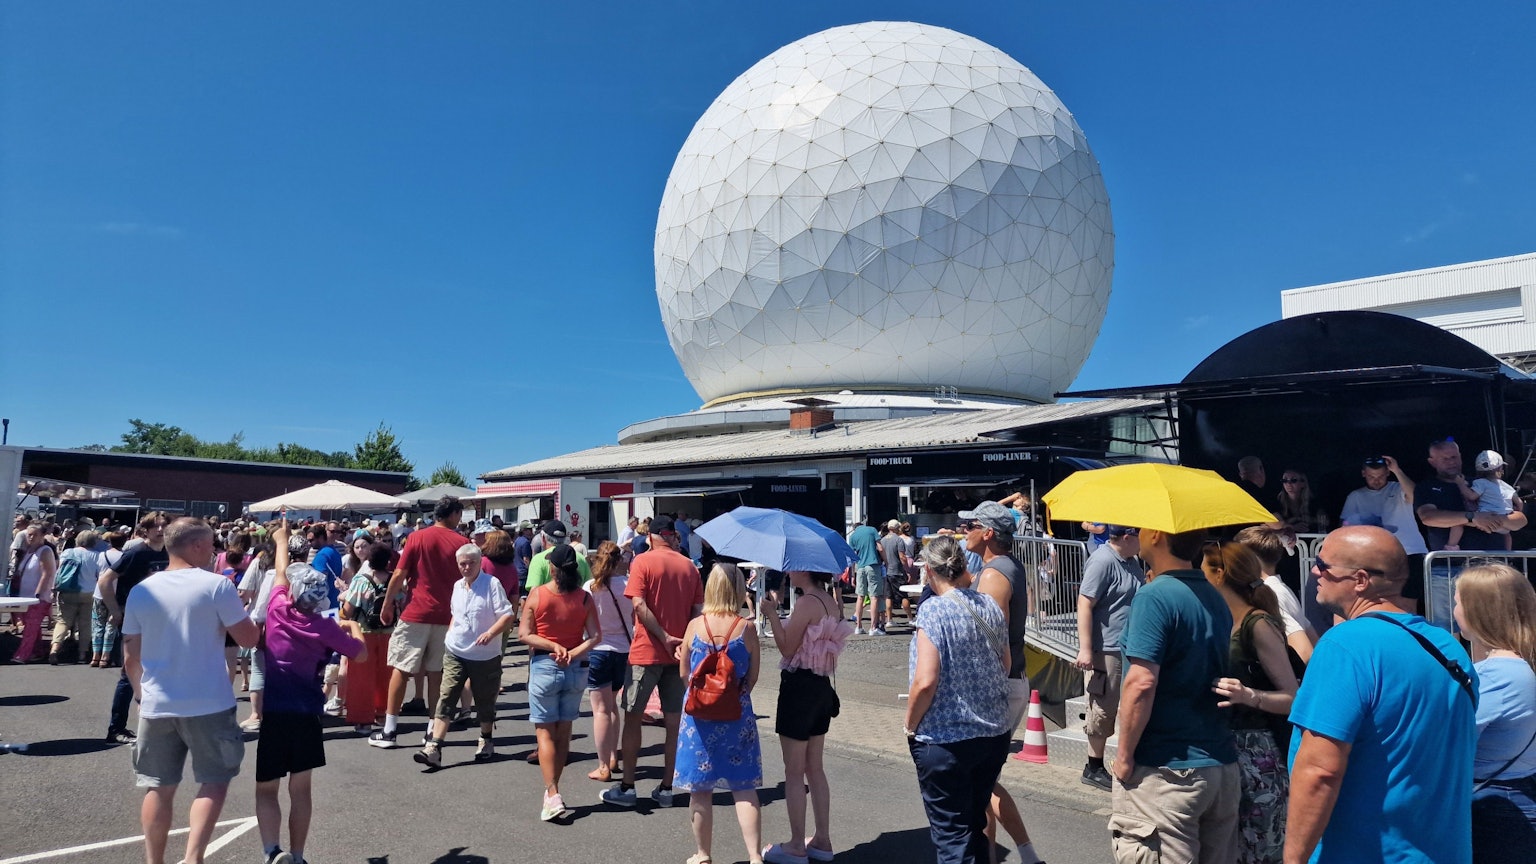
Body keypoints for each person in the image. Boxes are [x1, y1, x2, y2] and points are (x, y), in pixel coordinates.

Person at [1285, 525, 1477, 864]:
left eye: (1323, 565)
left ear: (1360, 580)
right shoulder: (1449, 648)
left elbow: (1320, 770)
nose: (1314, 570)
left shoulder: (1345, 645)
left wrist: (1293, 860)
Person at [121, 517, 259, 864]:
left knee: (158, 786)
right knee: (214, 780)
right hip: (208, 700)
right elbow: (248, 638)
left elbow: (130, 656)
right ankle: (193, 857)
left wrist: (140, 695)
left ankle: (155, 861)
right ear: (196, 545)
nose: (215, 551)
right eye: (211, 544)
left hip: (157, 701)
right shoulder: (216, 586)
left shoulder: (142, 590)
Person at [1111, 527, 1240, 864]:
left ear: (1155, 534)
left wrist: (1124, 756)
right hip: (1218, 762)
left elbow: (1140, 683)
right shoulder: (1213, 595)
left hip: (1167, 767)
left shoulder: (1154, 596)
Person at [256, 519, 366, 864]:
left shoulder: (276, 610)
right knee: (300, 789)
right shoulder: (324, 627)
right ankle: (299, 854)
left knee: (266, 787)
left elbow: (279, 570)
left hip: (274, 710)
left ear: (293, 592)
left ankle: (273, 851)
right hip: (307, 712)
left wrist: (282, 539)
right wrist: (354, 626)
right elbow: (359, 653)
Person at [902, 535, 1011, 864]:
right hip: (992, 733)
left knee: (951, 835)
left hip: (945, 738)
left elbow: (925, 680)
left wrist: (909, 724)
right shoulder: (988, 605)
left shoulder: (932, 611)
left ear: (931, 572)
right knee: (974, 824)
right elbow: (1005, 663)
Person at [1202, 542, 1298, 864]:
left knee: (1259, 851)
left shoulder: (1257, 624)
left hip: (1258, 757)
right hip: (1222, 751)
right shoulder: (1217, 621)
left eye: (1202, 569)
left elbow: (1291, 698)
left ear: (1219, 574)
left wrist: (1248, 695)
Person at [603, 515, 705, 808]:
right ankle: (667, 788)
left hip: (647, 651)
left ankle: (628, 787)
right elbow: (698, 611)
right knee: (674, 722)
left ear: (651, 536)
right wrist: (682, 641)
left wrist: (663, 636)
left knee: (633, 717)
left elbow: (638, 603)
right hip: (678, 655)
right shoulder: (689, 566)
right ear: (671, 535)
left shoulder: (642, 562)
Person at [959, 501, 1040, 863]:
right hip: (1008, 682)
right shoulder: (1004, 568)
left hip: (998, 685)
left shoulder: (994, 575)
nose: (963, 531)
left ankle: (1013, 854)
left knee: (979, 778)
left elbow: (991, 640)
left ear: (988, 533)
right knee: (983, 779)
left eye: (970, 525)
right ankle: (1010, 854)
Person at [675, 564, 763, 864]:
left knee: (700, 790)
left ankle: (703, 854)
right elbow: (752, 676)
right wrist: (734, 694)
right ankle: (754, 856)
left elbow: (685, 673)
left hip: (698, 720)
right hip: (737, 714)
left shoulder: (695, 626)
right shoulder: (747, 627)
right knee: (744, 787)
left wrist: (703, 696)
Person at [762, 568, 850, 864]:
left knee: (794, 771)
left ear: (805, 570)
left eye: (794, 566)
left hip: (799, 687)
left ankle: (797, 844)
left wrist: (772, 614)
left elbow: (787, 648)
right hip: (821, 686)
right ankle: (822, 839)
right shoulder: (830, 600)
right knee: (815, 767)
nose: (788, 571)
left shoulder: (806, 602)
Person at [1452, 564, 1536, 861]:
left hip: (1493, 802)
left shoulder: (1496, 676)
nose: (1454, 608)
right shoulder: (1521, 665)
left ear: (1479, 611)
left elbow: (1451, 740)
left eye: (1458, 601)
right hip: (1518, 790)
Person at [371, 496, 468, 749]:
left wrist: (387, 604)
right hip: (447, 616)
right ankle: (430, 731)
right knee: (437, 673)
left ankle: (390, 730)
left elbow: (400, 574)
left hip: (416, 612)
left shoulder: (417, 537)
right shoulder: (462, 543)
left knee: (401, 669)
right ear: (454, 514)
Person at [416, 543, 519, 770]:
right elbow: (456, 614)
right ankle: (434, 747)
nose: (466, 567)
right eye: (462, 563)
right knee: (447, 696)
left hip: (485, 655)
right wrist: (450, 634)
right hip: (456, 651)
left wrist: (491, 633)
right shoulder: (457, 586)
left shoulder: (491, 584)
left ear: (479, 562)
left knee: (484, 699)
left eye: (471, 563)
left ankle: (486, 738)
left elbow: (507, 615)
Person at [518, 543, 601, 820]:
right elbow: (595, 636)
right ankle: (553, 790)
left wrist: (553, 646)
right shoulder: (584, 598)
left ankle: (552, 792)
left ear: (551, 568)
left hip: (545, 665)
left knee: (544, 731)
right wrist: (572, 651)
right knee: (564, 729)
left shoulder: (538, 594)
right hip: (576, 668)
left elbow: (524, 634)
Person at [1417, 438, 1528, 617]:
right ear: (1432, 462)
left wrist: (1494, 519)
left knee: (1492, 627)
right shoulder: (1427, 487)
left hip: (1490, 569)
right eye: (1445, 459)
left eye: (1454, 457)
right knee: (1447, 629)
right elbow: (1428, 517)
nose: (1451, 461)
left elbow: (1520, 519)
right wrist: (1473, 518)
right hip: (1448, 569)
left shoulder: (1485, 483)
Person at [1073, 525, 1142, 791]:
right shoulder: (1102, 561)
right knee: (1103, 707)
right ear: (1127, 537)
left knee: (1129, 706)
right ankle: (1093, 766)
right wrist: (1086, 648)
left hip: (1128, 646)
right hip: (1107, 649)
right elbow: (1084, 602)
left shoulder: (1131, 560)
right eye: (1139, 535)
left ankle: (1126, 760)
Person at [99, 514, 170, 743]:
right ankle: (116, 728)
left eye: (164, 526)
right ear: (146, 530)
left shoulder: (170, 552)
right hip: (136, 619)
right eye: (155, 526)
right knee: (129, 673)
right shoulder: (136, 553)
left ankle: (157, 726)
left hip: (162, 619)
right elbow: (105, 580)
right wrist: (115, 610)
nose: (160, 530)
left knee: (158, 670)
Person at [584, 540, 633, 783]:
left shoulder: (590, 588)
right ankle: (613, 756)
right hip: (624, 650)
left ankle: (603, 765)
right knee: (612, 705)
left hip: (598, 650)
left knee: (600, 710)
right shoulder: (628, 586)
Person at [340, 544, 402, 734]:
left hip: (363, 631)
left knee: (361, 676)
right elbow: (401, 602)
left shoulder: (361, 580)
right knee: (386, 674)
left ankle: (362, 718)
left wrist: (341, 616)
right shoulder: (394, 579)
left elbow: (349, 609)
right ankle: (382, 712)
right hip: (389, 632)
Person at [1233, 526, 1318, 662]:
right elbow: (1312, 637)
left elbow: (1305, 652)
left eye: (1237, 556)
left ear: (1251, 559)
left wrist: (1283, 678)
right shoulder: (1280, 588)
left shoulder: (1272, 593)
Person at [1447, 450, 1521, 552]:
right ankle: (1508, 555)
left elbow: (1471, 496)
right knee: (1507, 535)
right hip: (1504, 522)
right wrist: (1516, 511)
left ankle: (1451, 547)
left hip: (1485, 518)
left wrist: (1460, 484)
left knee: (1458, 523)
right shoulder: (1507, 486)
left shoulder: (1480, 482)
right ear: (1500, 469)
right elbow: (1519, 502)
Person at [9, 523, 56, 664]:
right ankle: (37, 652)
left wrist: (37, 594)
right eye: (28, 534)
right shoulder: (29, 551)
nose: (30, 537)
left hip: (38, 598)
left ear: (42, 535)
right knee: (32, 627)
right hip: (26, 596)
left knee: (30, 627)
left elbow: (46, 574)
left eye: (34, 534)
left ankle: (22, 655)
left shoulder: (45, 551)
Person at [91, 530, 128, 667]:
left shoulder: (102, 555)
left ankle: (95, 655)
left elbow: (97, 573)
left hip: (99, 593)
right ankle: (105, 656)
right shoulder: (124, 556)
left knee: (97, 624)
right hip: (116, 594)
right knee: (111, 625)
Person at [525, 519, 592, 591]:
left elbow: (534, 592)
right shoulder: (581, 558)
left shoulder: (538, 560)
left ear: (543, 538)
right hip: (577, 601)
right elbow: (589, 587)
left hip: (549, 601)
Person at [847, 516, 884, 636]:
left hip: (860, 567)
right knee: (874, 597)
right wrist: (886, 561)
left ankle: (858, 626)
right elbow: (880, 547)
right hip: (873, 565)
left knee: (860, 596)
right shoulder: (872, 530)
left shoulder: (852, 537)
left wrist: (852, 575)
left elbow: (852, 558)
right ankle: (873, 628)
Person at [1275, 470, 1329, 535]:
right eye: (1284, 480)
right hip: (1285, 541)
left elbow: (1325, 522)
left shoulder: (1313, 503)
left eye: (1293, 480)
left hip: (1311, 541)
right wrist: (1292, 527)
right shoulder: (1277, 502)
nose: (1288, 484)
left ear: (1303, 483)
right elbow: (1271, 524)